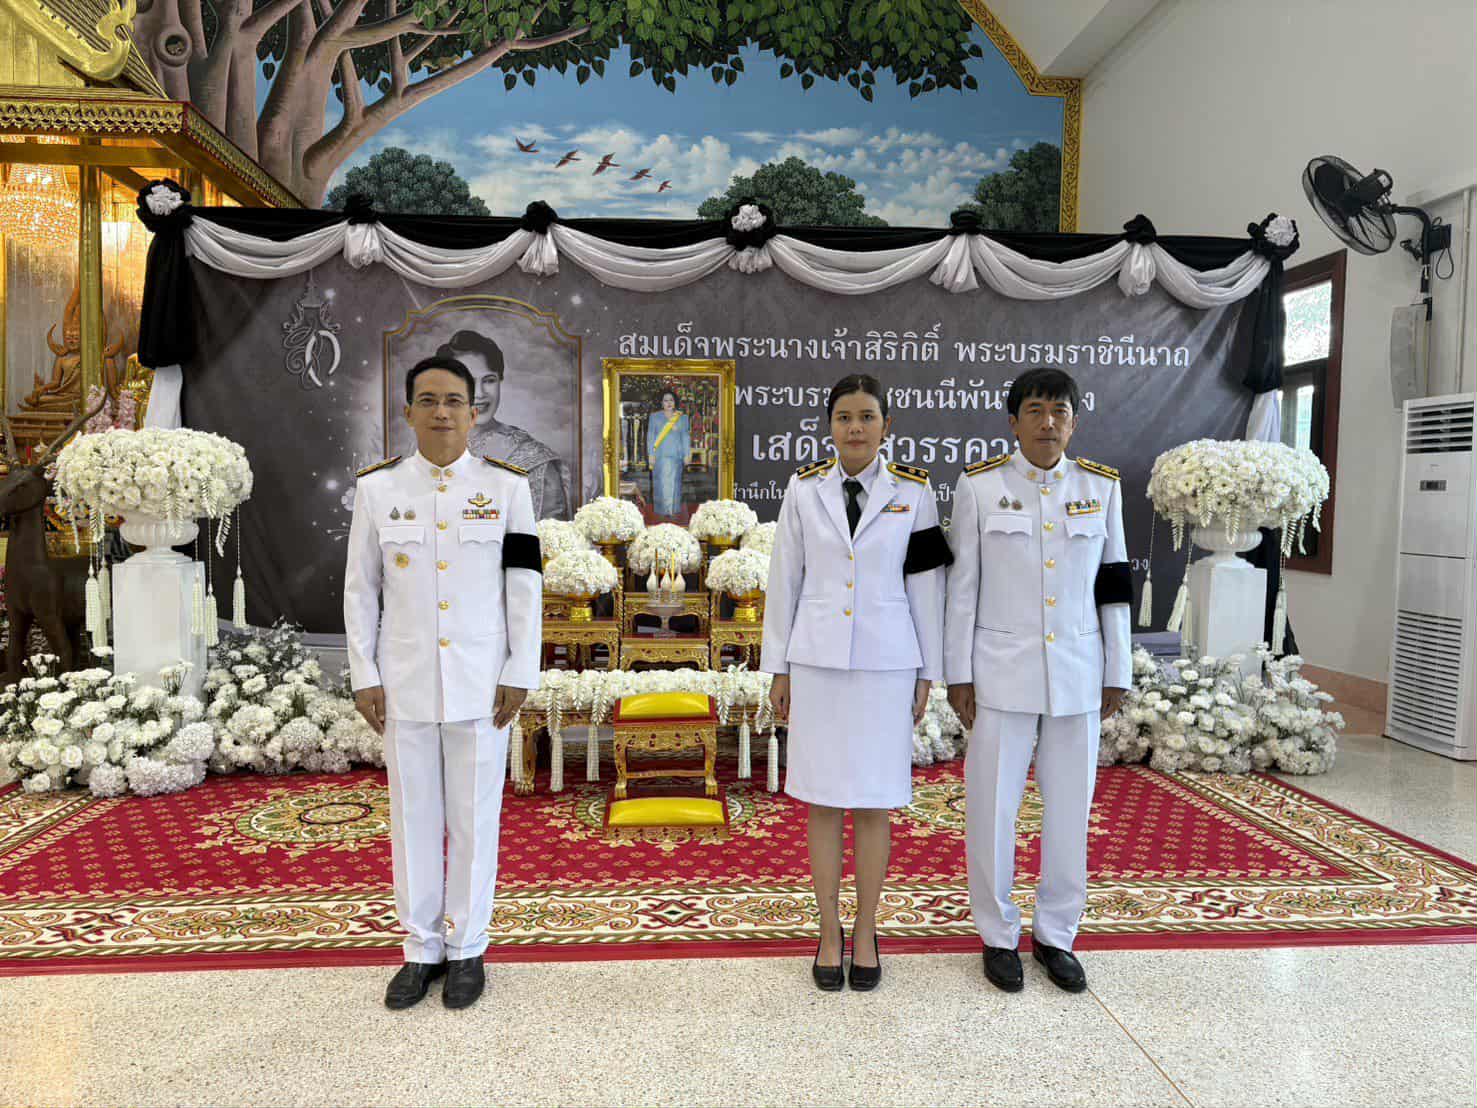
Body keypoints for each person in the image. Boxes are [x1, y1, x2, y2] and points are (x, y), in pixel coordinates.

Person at [344, 355, 543, 1011]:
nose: (441, 412)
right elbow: (360, 588)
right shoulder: (379, 490)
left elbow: (523, 584)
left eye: (454, 401)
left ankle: (467, 949)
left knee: (474, 818)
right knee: (413, 819)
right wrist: (364, 672)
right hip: (403, 683)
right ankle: (419, 949)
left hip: (480, 683)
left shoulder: (509, 490)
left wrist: (519, 668)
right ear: (407, 412)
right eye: (427, 400)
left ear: (473, 411)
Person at [943, 367, 1132, 995]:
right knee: (992, 809)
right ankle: (998, 935)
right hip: (1000, 676)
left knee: (1071, 812)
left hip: (1077, 675)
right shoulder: (979, 487)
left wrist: (1117, 666)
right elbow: (962, 586)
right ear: (1013, 420)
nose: (1047, 421)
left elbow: (1113, 583)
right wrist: (958, 672)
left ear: (1074, 421)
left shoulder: (1100, 489)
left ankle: (1057, 934)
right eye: (1034, 410)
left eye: (1059, 410)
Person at [761, 374, 951, 992]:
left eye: (867, 416)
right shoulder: (804, 488)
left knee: (873, 801)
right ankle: (827, 930)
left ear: (886, 425)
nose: (855, 427)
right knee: (821, 800)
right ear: (829, 425)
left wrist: (929, 672)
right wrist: (779, 667)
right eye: (844, 416)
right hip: (816, 662)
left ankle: (865, 928)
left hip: (885, 664)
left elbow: (926, 587)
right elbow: (784, 577)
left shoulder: (915, 493)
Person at [438, 329, 571, 520]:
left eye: (489, 380)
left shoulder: (535, 461)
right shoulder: (423, 449)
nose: (480, 393)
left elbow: (550, 541)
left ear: (500, 380)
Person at [646, 389, 690, 520]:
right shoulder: (654, 417)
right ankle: (661, 511)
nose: (669, 403)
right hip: (660, 456)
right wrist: (650, 454)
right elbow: (650, 437)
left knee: (675, 483)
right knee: (661, 484)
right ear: (661, 403)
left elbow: (685, 437)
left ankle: (673, 511)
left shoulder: (682, 418)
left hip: (676, 456)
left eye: (671, 400)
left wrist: (687, 454)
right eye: (665, 400)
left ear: (675, 402)